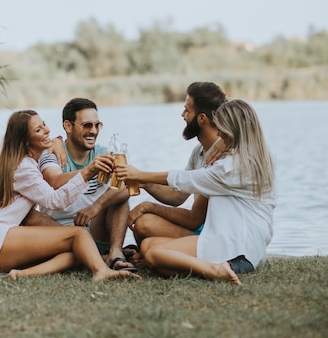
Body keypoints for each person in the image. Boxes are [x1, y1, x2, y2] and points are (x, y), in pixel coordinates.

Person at [114, 99, 276, 285]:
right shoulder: (261, 157)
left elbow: (186, 180)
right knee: (149, 247)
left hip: (236, 248)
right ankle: (200, 265)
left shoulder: (230, 169)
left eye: (222, 128)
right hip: (244, 243)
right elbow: (181, 191)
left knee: (153, 254)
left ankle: (214, 269)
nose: (219, 133)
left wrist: (141, 175)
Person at [0, 110, 139, 281]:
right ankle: (101, 271)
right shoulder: (23, 167)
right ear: (25, 141)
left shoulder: (26, 161)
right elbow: (54, 201)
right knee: (79, 234)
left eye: (44, 124)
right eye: (38, 130)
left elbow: (50, 141)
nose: (46, 130)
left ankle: (21, 274)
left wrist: (57, 141)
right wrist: (88, 172)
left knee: (78, 250)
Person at [24, 98, 136, 271]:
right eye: (87, 125)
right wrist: (90, 170)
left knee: (119, 197)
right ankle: (98, 257)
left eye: (97, 125)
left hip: (95, 228)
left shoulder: (102, 153)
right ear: (68, 126)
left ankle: (115, 253)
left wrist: (96, 207)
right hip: (61, 234)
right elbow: (54, 181)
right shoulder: (52, 152)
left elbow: (127, 185)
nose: (93, 131)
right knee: (29, 217)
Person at [129, 82, 227, 251]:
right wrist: (144, 183)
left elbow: (194, 219)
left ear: (202, 118)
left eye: (187, 110)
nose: (183, 115)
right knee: (143, 225)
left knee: (145, 224)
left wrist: (148, 205)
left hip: (211, 233)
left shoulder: (219, 157)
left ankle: (164, 252)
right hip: (198, 228)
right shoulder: (199, 152)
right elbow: (178, 196)